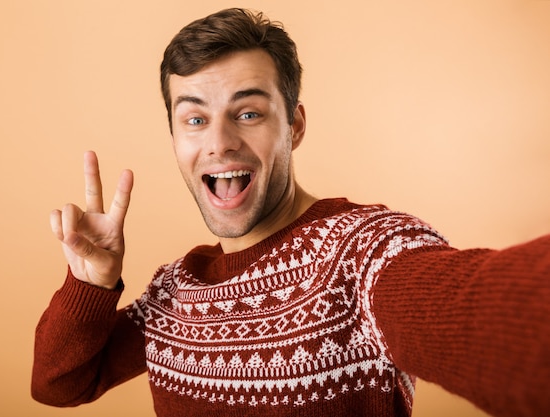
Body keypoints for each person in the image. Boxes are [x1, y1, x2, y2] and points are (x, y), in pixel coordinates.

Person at [31, 8, 550, 417]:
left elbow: (474, 307)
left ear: (294, 126)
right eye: (194, 118)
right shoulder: (176, 292)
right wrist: (91, 285)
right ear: (174, 137)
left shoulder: (362, 251)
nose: (219, 143)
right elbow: (59, 384)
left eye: (249, 113)